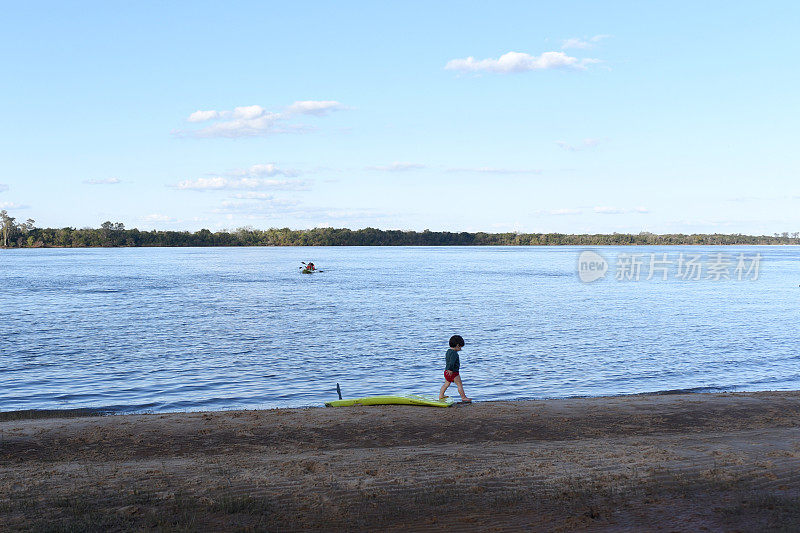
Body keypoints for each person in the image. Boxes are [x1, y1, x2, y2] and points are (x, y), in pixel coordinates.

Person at [439, 335, 472, 402]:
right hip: (453, 372)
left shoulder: (448, 351)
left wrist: (448, 370)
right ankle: (463, 397)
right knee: (459, 384)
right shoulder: (454, 353)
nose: (461, 349)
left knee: (446, 384)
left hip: (446, 372)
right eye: (460, 347)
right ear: (457, 345)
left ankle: (441, 395)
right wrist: (451, 370)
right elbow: (452, 362)